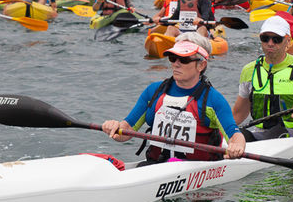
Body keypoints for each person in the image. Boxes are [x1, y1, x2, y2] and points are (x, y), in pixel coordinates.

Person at [101, 36, 245, 164]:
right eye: (172, 58)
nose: (176, 64)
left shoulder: (213, 100)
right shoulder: (153, 92)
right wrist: (114, 127)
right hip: (156, 164)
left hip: (196, 171)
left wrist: (237, 146)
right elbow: (126, 131)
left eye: (184, 59)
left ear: (201, 65)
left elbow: (235, 136)